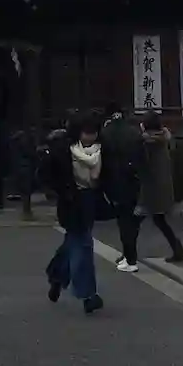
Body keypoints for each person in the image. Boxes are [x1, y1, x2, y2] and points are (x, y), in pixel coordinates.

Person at [43, 113, 106, 314]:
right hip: (71, 202)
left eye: (94, 132)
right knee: (83, 245)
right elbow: (47, 174)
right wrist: (64, 192)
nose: (91, 136)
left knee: (73, 243)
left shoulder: (99, 149)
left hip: (89, 199)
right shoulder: (64, 150)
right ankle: (88, 295)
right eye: (87, 132)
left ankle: (57, 276)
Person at [125, 111, 183, 265]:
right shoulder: (163, 140)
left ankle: (128, 255)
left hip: (150, 189)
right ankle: (178, 249)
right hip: (162, 187)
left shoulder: (147, 143)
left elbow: (142, 165)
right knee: (159, 221)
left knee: (133, 223)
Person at [100, 102, 146, 274]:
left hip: (115, 182)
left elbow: (102, 160)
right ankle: (128, 254)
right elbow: (143, 159)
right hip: (134, 181)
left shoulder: (105, 133)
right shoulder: (133, 131)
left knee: (124, 221)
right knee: (131, 220)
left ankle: (130, 258)